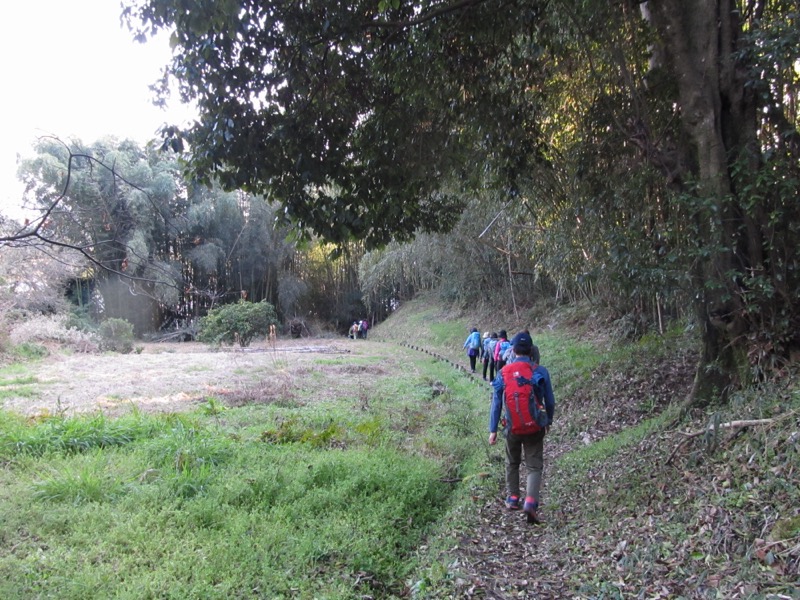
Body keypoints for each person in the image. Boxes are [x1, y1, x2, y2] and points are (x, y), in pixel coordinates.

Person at [488, 331, 555, 524]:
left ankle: (513, 498)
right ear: (531, 350)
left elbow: (496, 403)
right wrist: (548, 420)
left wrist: (493, 430)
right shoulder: (540, 371)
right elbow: (550, 401)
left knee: (512, 462)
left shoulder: (503, 372)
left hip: (511, 426)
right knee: (534, 466)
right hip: (535, 426)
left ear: (513, 350)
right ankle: (531, 502)